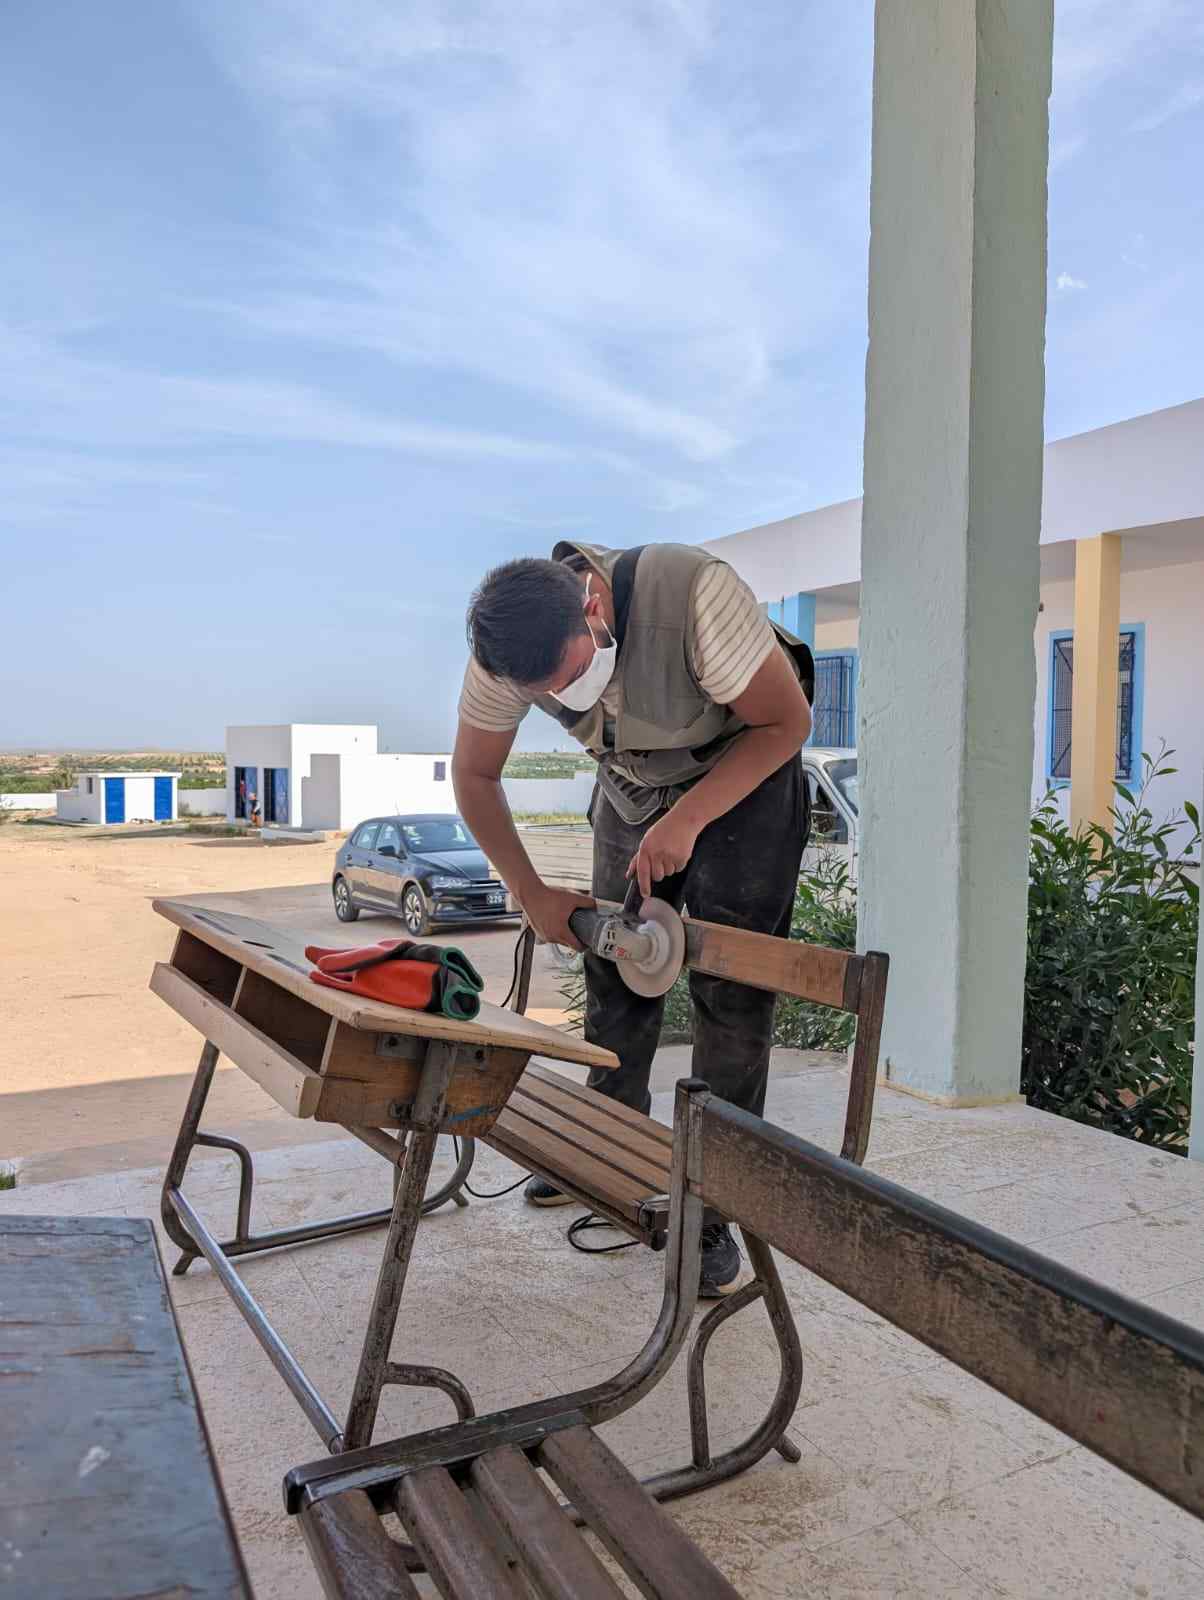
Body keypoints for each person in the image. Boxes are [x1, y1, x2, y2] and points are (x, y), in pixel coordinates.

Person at [453, 541, 812, 1295]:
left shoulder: (695, 598)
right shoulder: (504, 651)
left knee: (732, 994)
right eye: (549, 693)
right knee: (617, 964)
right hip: (631, 780)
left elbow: (787, 724)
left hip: (745, 767)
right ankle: (606, 1149)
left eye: (573, 675)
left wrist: (686, 820)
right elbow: (476, 774)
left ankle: (711, 1207)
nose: (568, 699)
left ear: (594, 605)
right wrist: (530, 893)